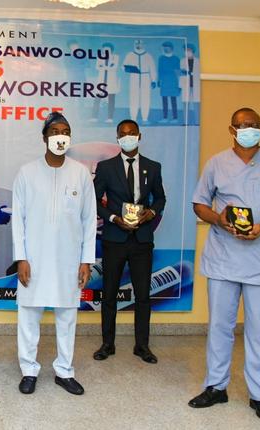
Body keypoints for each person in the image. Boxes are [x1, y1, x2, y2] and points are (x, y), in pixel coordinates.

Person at [188, 108, 260, 423]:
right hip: (224, 258)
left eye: (254, 125)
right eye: (243, 125)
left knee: (258, 332)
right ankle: (216, 387)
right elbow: (200, 203)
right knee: (220, 327)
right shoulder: (216, 163)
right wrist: (220, 218)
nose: (249, 129)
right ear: (232, 129)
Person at [11, 111, 96, 396]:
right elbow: (18, 220)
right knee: (29, 315)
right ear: (44, 137)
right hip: (33, 258)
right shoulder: (27, 172)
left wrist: (86, 261)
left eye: (65, 131)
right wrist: (21, 257)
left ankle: (64, 371)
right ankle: (29, 369)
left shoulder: (81, 173)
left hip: (68, 260)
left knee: (67, 315)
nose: (61, 135)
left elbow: (88, 219)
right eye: (55, 131)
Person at [92, 119, 166, 364]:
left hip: (142, 240)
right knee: (109, 294)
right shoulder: (105, 167)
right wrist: (113, 217)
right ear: (117, 138)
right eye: (123, 134)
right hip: (114, 238)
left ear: (139, 136)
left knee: (143, 295)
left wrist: (152, 213)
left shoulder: (153, 167)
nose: (128, 137)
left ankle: (142, 346)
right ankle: (107, 344)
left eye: (132, 133)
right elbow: (93, 199)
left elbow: (161, 198)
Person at [123, 39, 157, 124]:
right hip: (134, 77)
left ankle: (145, 118)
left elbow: (152, 68)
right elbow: (123, 67)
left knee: (145, 98)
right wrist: (131, 68)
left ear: (143, 45)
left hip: (146, 77)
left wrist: (153, 80)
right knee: (133, 97)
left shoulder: (148, 56)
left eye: (140, 44)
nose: (138, 45)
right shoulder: (130, 55)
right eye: (136, 44)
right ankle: (133, 118)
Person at [91, 43, 120, 123]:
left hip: (111, 81)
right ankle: (94, 117)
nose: (105, 51)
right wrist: (108, 67)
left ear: (111, 50)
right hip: (101, 81)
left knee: (111, 100)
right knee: (97, 99)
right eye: (104, 50)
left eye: (107, 49)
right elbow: (97, 67)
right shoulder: (100, 57)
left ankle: (110, 118)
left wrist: (103, 67)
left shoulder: (115, 57)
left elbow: (114, 68)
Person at [157, 41, 181, 123]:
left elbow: (178, 72)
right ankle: (165, 118)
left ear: (171, 48)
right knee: (164, 99)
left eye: (167, 47)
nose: (165, 49)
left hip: (173, 81)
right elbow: (159, 70)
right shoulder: (161, 58)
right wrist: (159, 80)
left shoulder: (176, 59)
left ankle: (175, 118)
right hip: (164, 81)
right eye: (164, 48)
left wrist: (180, 84)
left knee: (173, 99)